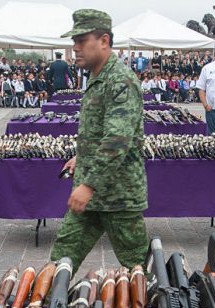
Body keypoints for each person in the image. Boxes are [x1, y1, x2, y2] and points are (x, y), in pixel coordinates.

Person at [51, 9, 148, 273]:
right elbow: (99, 132)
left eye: (82, 40)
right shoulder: (96, 75)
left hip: (119, 197)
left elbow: (117, 140)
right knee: (61, 260)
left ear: (104, 41)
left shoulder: (121, 80)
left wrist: (89, 185)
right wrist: (81, 157)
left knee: (139, 269)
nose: (75, 47)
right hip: (91, 196)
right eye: (74, 41)